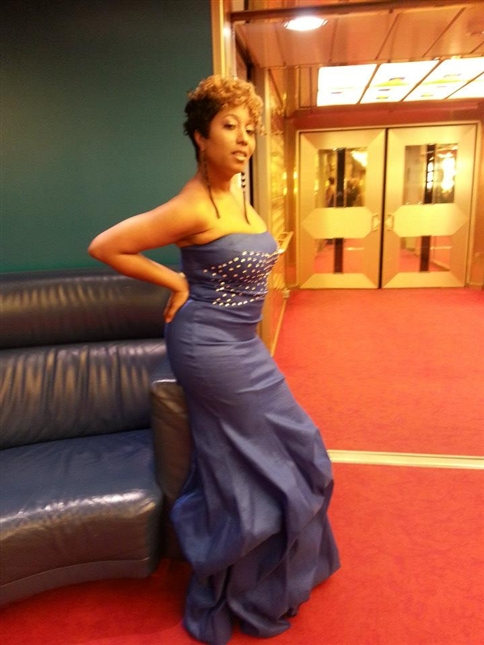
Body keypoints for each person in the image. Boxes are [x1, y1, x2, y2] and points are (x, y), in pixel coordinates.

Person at [88, 75, 340, 645]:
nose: (244, 139)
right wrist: (176, 281)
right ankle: (244, 581)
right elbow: (106, 246)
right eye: (230, 126)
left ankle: (271, 562)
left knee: (296, 445)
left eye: (250, 129)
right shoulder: (191, 205)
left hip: (243, 345)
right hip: (208, 348)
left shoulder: (238, 198)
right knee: (252, 463)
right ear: (201, 136)